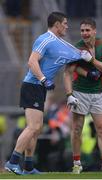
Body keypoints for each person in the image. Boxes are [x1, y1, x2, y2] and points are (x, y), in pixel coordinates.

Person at [4, 12, 92, 175]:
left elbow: (74, 54)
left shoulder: (61, 43)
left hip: (39, 88)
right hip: (33, 85)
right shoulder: (45, 39)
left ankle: (28, 167)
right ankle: (12, 162)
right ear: (57, 25)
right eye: (64, 23)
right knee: (34, 126)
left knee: (36, 129)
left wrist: (86, 57)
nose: (67, 26)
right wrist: (44, 79)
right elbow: (31, 61)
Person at [63, 17, 102, 174]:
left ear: (94, 31)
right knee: (77, 129)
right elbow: (68, 72)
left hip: (99, 93)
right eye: (82, 30)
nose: (84, 33)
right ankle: (77, 163)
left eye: (87, 30)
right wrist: (69, 94)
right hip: (80, 92)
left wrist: (92, 60)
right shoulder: (76, 48)